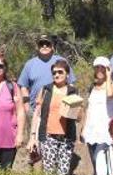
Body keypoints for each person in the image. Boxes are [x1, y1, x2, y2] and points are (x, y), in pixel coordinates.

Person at [18, 34, 76, 165]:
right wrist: (27, 106)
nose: (44, 46)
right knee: (35, 146)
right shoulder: (30, 64)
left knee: (58, 142)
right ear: (37, 47)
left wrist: (71, 104)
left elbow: (71, 83)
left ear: (53, 47)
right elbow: (23, 86)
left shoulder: (60, 61)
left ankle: (57, 171)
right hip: (36, 110)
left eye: (47, 44)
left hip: (58, 111)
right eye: (41, 44)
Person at [26, 60, 79, 175]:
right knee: (48, 174)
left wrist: (74, 111)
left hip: (67, 138)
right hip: (48, 136)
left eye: (60, 72)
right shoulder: (46, 90)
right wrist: (32, 137)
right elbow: (37, 114)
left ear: (67, 75)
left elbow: (79, 116)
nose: (57, 75)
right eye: (54, 72)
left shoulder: (73, 91)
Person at [80, 57, 113, 175]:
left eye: (103, 67)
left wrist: (108, 77)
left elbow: (110, 94)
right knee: (95, 164)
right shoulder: (92, 87)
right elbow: (88, 109)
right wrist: (83, 128)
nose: (100, 70)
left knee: (100, 161)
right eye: (97, 68)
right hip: (91, 130)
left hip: (105, 131)